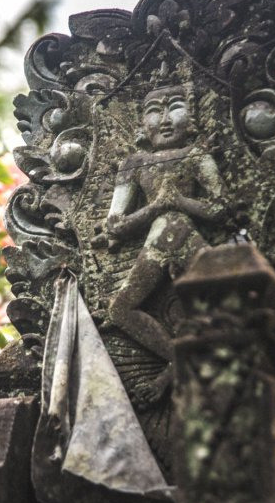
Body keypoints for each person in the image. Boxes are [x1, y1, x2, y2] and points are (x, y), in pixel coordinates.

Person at [93, 83, 225, 399]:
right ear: (142, 123)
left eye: (175, 106)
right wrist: (156, 206)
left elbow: (220, 206)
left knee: (221, 309)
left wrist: (178, 201)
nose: (165, 119)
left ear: (191, 117)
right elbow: (115, 225)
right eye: (154, 110)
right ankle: (180, 360)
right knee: (119, 310)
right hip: (156, 238)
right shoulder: (134, 164)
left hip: (185, 234)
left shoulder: (195, 154)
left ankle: (174, 371)